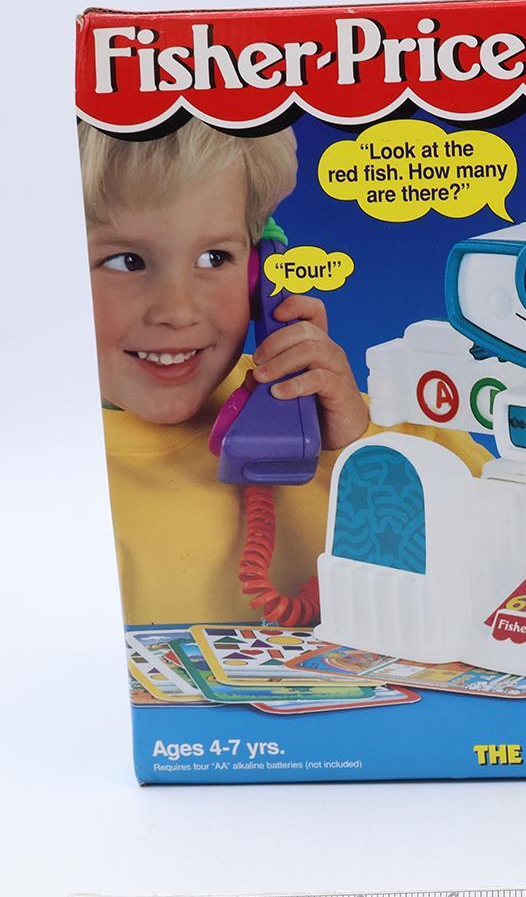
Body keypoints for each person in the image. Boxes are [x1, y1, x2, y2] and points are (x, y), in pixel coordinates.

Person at [81, 120, 491, 625]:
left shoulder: (370, 430)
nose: (177, 311)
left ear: (262, 272)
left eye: (214, 258)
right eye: (126, 261)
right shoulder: (39, 473)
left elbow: (517, 554)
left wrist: (356, 448)